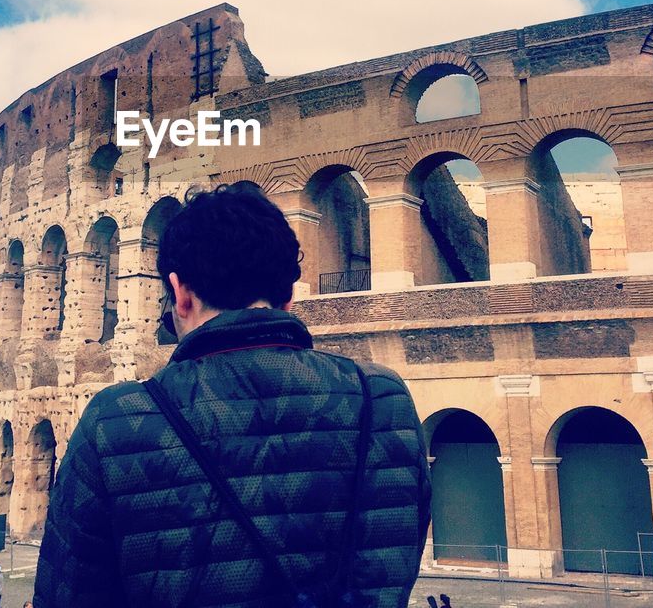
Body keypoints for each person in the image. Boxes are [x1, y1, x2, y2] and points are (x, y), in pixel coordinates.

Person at [33, 184, 431, 608]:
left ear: (180, 293)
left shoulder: (113, 422)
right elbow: (394, 563)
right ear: (289, 297)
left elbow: (67, 593)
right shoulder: (382, 400)